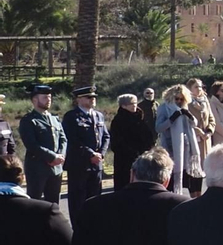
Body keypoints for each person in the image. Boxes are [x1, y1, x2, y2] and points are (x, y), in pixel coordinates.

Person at [61, 85, 110, 226]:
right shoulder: (71, 116)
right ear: (79, 99)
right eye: (89, 97)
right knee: (78, 199)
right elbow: (72, 140)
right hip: (79, 165)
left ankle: (93, 228)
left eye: (94, 97)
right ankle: (78, 228)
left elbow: (106, 136)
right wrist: (90, 153)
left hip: (96, 165)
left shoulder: (98, 115)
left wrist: (101, 153)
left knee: (95, 199)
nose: (92, 99)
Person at [17, 83, 66, 204]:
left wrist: (60, 156)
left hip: (56, 168)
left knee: (53, 204)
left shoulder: (54, 118)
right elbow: (31, 144)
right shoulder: (29, 120)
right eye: (44, 97)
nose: (48, 100)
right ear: (34, 100)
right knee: (35, 202)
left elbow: (63, 139)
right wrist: (52, 156)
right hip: (37, 168)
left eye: (49, 97)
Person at [155, 85, 203, 196]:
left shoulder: (184, 107)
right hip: (171, 147)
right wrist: (171, 119)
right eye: (177, 99)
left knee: (191, 178)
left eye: (182, 99)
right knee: (172, 177)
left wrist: (190, 116)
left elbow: (193, 124)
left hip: (187, 147)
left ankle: (193, 200)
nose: (179, 101)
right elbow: (158, 127)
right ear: (171, 97)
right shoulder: (164, 108)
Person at [109, 92, 156, 192]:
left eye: (135, 102)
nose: (134, 105)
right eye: (131, 103)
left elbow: (147, 135)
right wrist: (133, 152)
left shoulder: (140, 117)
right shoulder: (118, 120)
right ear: (123, 105)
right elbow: (117, 142)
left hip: (143, 157)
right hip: (126, 160)